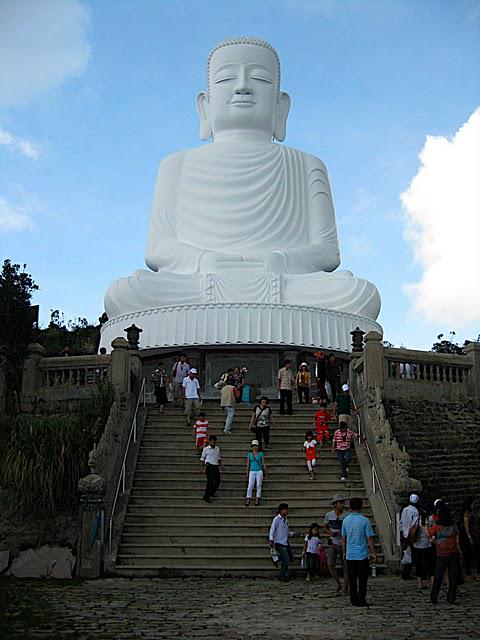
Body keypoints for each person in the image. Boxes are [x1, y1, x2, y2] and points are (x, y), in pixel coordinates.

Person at [342, 497, 377, 607]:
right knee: (362, 579)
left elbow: (344, 538)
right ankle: (361, 599)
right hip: (362, 554)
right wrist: (373, 552)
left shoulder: (346, 520)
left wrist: (344, 551)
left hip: (350, 554)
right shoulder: (365, 520)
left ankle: (353, 598)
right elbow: (369, 538)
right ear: (361, 506)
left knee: (352, 579)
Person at [428, 501, 461, 604]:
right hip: (453, 552)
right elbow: (457, 536)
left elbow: (429, 533)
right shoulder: (453, 525)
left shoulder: (438, 526)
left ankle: (434, 597)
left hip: (442, 553)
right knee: (452, 577)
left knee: (438, 576)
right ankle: (451, 597)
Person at [324, 494, 348, 593]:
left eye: (343, 503)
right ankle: (338, 583)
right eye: (340, 503)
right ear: (335, 504)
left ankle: (346, 587)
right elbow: (325, 527)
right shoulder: (329, 515)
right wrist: (331, 533)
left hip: (344, 543)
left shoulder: (347, 515)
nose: (342, 505)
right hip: (333, 542)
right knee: (330, 564)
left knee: (346, 566)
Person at [269, 503, 298, 581]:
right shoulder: (276, 519)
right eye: (286, 509)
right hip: (279, 542)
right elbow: (272, 530)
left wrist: (294, 534)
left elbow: (286, 532)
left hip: (285, 542)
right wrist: (271, 540)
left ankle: (277, 558)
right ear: (281, 510)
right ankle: (282, 576)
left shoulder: (286, 520)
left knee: (291, 558)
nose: (287, 511)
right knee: (286, 560)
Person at [412, 509, 435, 590]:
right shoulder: (430, 520)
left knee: (419, 565)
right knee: (431, 564)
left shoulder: (416, 519)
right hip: (428, 544)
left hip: (417, 545)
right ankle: (432, 582)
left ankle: (419, 583)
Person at [400, 494, 420, 581]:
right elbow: (415, 524)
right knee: (411, 554)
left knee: (407, 553)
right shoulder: (415, 511)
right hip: (411, 534)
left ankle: (406, 573)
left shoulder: (404, 509)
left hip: (404, 533)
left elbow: (401, 522)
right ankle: (407, 573)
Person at [458, 498, 478, 578]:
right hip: (466, 535)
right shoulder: (466, 513)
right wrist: (469, 536)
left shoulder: (468, 512)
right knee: (467, 553)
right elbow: (466, 526)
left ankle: (468, 571)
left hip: (467, 534)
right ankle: (468, 571)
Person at [200, 435, 223, 503]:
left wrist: (222, 465)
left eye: (214, 441)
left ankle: (211, 492)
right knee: (210, 482)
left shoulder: (217, 448)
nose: (212, 443)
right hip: (209, 466)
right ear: (209, 441)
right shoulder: (206, 449)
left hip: (215, 466)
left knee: (217, 481)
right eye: (211, 441)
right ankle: (206, 496)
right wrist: (202, 468)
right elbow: (202, 459)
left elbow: (219, 458)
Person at [245, 440, 267, 506]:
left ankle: (257, 498)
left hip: (259, 471)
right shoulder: (249, 454)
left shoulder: (261, 454)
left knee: (258, 485)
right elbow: (248, 464)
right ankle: (248, 498)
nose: (255, 447)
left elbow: (263, 462)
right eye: (253, 446)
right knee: (250, 485)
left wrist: (265, 470)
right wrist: (247, 473)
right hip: (252, 470)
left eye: (256, 446)